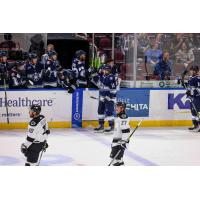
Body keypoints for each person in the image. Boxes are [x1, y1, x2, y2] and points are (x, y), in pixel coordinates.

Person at [93, 66, 118, 133]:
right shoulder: (101, 77)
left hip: (110, 98)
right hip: (102, 97)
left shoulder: (112, 77)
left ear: (109, 70)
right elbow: (98, 85)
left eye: (106, 70)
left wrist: (109, 97)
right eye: (104, 70)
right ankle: (101, 125)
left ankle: (111, 126)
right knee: (100, 111)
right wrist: (94, 76)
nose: (105, 71)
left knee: (109, 112)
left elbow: (113, 89)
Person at [109, 102, 131, 166]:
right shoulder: (119, 117)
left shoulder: (123, 117)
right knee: (117, 161)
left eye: (117, 107)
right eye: (116, 107)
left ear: (122, 108)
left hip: (119, 143)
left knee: (115, 161)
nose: (116, 109)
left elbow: (126, 131)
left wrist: (124, 142)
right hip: (116, 142)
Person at [186, 66, 200, 132]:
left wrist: (190, 91)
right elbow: (190, 87)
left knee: (197, 112)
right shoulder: (192, 78)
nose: (190, 72)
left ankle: (198, 125)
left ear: (194, 71)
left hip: (196, 97)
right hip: (193, 97)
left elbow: (196, 89)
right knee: (193, 112)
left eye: (191, 70)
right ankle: (195, 125)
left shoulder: (195, 79)